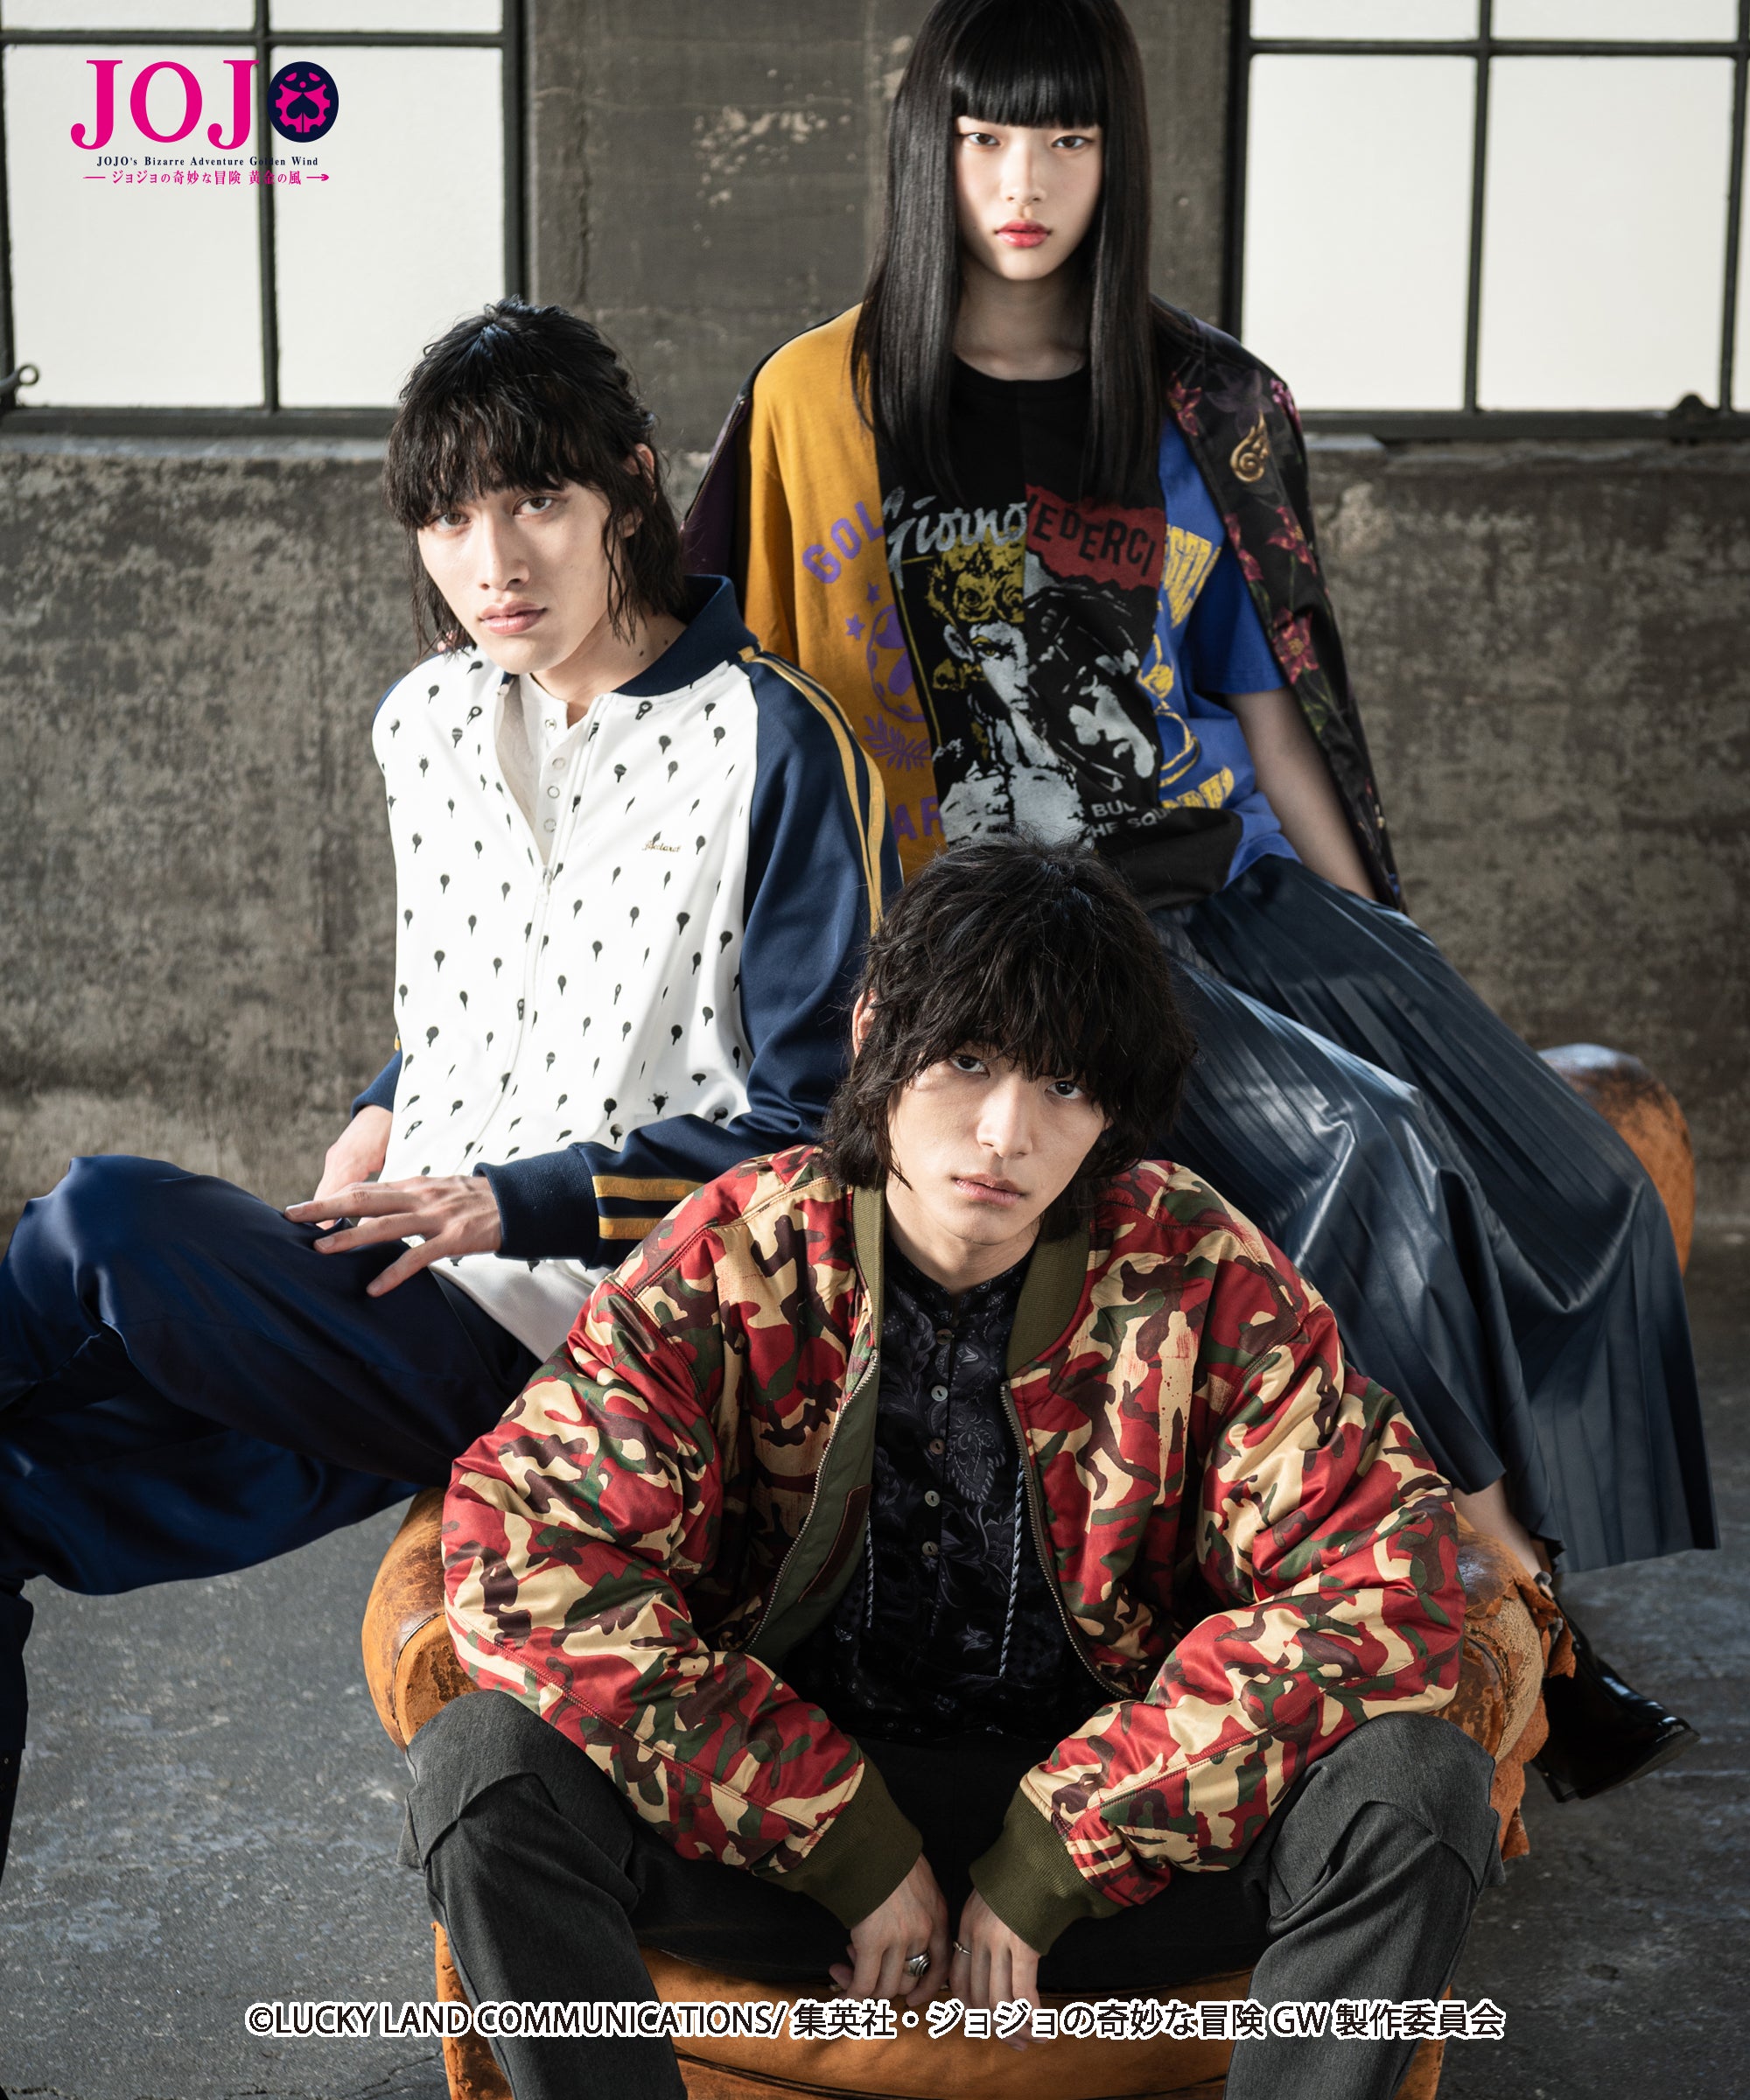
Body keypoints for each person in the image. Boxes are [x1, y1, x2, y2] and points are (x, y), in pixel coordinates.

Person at [682, 0, 1710, 1798]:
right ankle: (1507, 1592)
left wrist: (1383, 938)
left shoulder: (1200, 401)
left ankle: (1532, 1544)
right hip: (1036, 940)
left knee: (1583, 1181)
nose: (1023, 183)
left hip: (1227, 874)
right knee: (1369, 1152)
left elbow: (1266, 699)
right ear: (930, 152)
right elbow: (719, 695)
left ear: (1119, 160)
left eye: (1067, 141)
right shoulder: (819, 401)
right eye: (985, 140)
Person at [0, 299, 895, 1882]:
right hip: (396, 1288)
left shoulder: (772, 743)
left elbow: (822, 1133)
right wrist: (380, 1106)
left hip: (603, 1338)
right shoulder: (423, 722)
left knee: (101, 1221)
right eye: (449, 520)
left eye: (536, 502)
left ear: (630, 488)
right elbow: (484, 988)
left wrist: (513, 1199)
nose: (495, 563)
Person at [410, 837, 1501, 2100]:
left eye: (1065, 1085)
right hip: (780, 1835)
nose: (1005, 1134)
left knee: (1417, 1790)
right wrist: (840, 1837)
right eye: (969, 1060)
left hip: (1121, 1842)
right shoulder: (739, 1252)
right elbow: (525, 1556)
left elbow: (1384, 1580)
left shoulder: (1200, 1274)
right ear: (876, 1031)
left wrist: (1063, 1852)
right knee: (485, 1768)